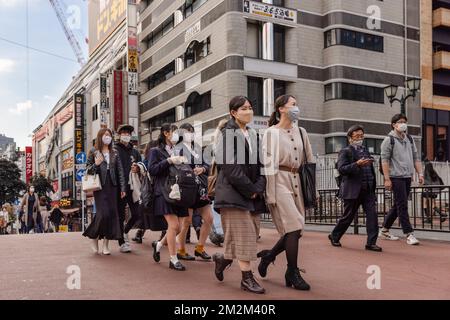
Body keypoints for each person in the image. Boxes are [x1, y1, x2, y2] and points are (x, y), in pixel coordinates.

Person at [213, 96, 267, 294]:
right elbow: (230, 168)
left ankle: (223, 259)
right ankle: (246, 278)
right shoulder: (226, 134)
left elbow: (262, 166)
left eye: (251, 107)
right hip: (233, 193)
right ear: (233, 113)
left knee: (248, 235)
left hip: (252, 193)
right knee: (244, 236)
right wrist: (250, 189)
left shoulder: (254, 135)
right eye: (244, 108)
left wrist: (258, 187)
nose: (249, 111)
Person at [259, 94, 312, 292]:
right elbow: (267, 163)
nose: (297, 108)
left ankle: (268, 257)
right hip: (279, 180)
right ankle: (292, 271)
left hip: (297, 179)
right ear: (281, 108)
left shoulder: (302, 131)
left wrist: (310, 190)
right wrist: (269, 192)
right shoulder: (270, 133)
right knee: (294, 225)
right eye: (293, 105)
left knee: (295, 231)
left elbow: (309, 161)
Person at [328, 125, 382, 252]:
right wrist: (357, 164)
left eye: (361, 136)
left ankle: (371, 243)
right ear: (350, 138)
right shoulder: (345, 151)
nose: (360, 138)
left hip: (368, 189)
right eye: (357, 136)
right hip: (353, 190)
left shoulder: (365, 150)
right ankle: (334, 236)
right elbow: (342, 169)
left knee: (372, 216)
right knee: (348, 216)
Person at [149, 124, 190, 271]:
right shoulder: (155, 151)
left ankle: (158, 245)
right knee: (174, 226)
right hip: (164, 191)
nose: (176, 135)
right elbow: (152, 169)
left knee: (177, 229)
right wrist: (169, 161)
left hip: (179, 192)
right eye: (174, 132)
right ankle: (173, 259)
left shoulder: (179, 149)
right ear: (166, 133)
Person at [379, 114, 423, 245]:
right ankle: (409, 234)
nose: (403, 124)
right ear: (393, 124)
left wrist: (420, 173)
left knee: (398, 205)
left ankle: (384, 230)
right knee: (402, 205)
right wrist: (387, 179)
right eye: (400, 122)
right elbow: (384, 161)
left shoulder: (409, 138)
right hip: (396, 177)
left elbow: (416, 157)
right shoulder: (389, 140)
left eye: (405, 121)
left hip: (407, 177)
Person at [83, 128, 127, 255]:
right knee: (103, 213)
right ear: (100, 136)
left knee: (112, 214)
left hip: (113, 185)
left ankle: (106, 244)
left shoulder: (114, 152)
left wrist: (123, 188)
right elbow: (87, 170)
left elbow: (120, 172)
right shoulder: (93, 151)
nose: (108, 137)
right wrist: (96, 164)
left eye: (110, 135)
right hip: (99, 186)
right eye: (106, 135)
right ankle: (94, 237)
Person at [175, 122, 213, 261]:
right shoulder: (178, 149)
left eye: (192, 131)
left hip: (201, 188)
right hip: (187, 188)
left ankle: (200, 248)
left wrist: (202, 169)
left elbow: (207, 164)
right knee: (187, 221)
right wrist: (190, 171)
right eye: (187, 131)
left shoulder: (197, 148)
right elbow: (176, 167)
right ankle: (181, 249)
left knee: (209, 218)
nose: (190, 134)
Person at [114, 124, 143, 253]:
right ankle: (122, 242)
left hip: (133, 187)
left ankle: (125, 231)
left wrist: (138, 168)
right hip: (120, 188)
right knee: (120, 215)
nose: (126, 135)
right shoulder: (114, 150)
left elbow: (142, 165)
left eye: (128, 133)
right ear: (119, 135)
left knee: (137, 213)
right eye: (123, 133)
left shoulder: (135, 151)